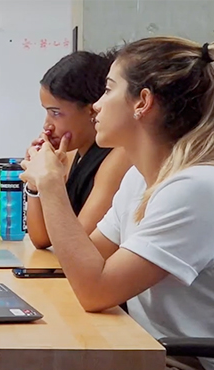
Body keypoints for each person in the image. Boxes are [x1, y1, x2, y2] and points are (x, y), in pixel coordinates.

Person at [0, 37, 214, 370]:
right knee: (2, 366)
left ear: (143, 103)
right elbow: (88, 257)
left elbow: (95, 290)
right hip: (150, 349)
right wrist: (42, 184)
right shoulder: (141, 178)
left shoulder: (199, 187)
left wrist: (52, 185)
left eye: (107, 90)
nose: (96, 106)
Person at [22, 51, 132, 249]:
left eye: (56, 113)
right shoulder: (70, 154)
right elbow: (41, 239)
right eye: (46, 112)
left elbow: (76, 248)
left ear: (93, 109)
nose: (47, 125)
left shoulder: (120, 155)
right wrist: (35, 184)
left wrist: (50, 182)